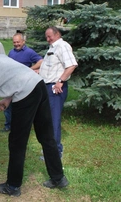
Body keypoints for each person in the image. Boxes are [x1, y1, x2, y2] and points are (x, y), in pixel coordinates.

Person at [0, 52, 68, 197]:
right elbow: (14, 73)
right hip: (38, 84)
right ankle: (59, 178)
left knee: (17, 142)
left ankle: (13, 186)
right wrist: (8, 98)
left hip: (26, 93)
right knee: (46, 136)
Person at [39, 26, 78, 159]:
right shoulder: (52, 47)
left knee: (53, 120)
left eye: (49, 36)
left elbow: (72, 65)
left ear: (57, 34)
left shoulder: (62, 46)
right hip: (47, 87)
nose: (47, 39)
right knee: (48, 119)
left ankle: (55, 152)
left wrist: (60, 80)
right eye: (46, 37)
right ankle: (50, 149)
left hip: (56, 89)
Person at [0, 32, 43, 132]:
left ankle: (20, 125)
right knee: (7, 104)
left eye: (18, 42)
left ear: (23, 41)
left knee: (20, 106)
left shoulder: (29, 52)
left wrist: (29, 69)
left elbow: (41, 61)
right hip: (10, 82)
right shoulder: (11, 52)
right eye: (14, 42)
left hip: (23, 84)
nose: (16, 44)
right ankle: (8, 125)